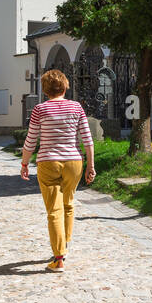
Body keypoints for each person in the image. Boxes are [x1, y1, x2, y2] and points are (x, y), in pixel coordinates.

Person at [21, 69, 96, 272]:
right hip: (74, 161)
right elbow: (87, 139)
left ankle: (59, 257)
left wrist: (24, 163)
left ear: (45, 90)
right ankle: (64, 245)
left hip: (48, 162)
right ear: (65, 86)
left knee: (54, 209)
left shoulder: (40, 110)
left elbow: (31, 140)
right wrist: (91, 165)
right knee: (68, 204)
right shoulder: (77, 107)